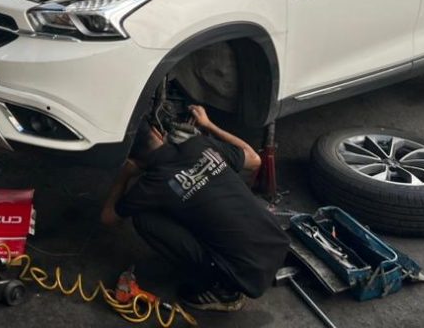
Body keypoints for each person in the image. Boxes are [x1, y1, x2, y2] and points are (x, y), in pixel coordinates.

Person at [101, 106, 289, 314]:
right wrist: (209, 125)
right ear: (158, 133)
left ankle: (224, 291)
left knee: (144, 219)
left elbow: (108, 218)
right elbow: (254, 159)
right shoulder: (199, 144)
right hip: (276, 242)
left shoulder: (150, 186)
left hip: (246, 276)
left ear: (133, 160)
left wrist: (125, 175)